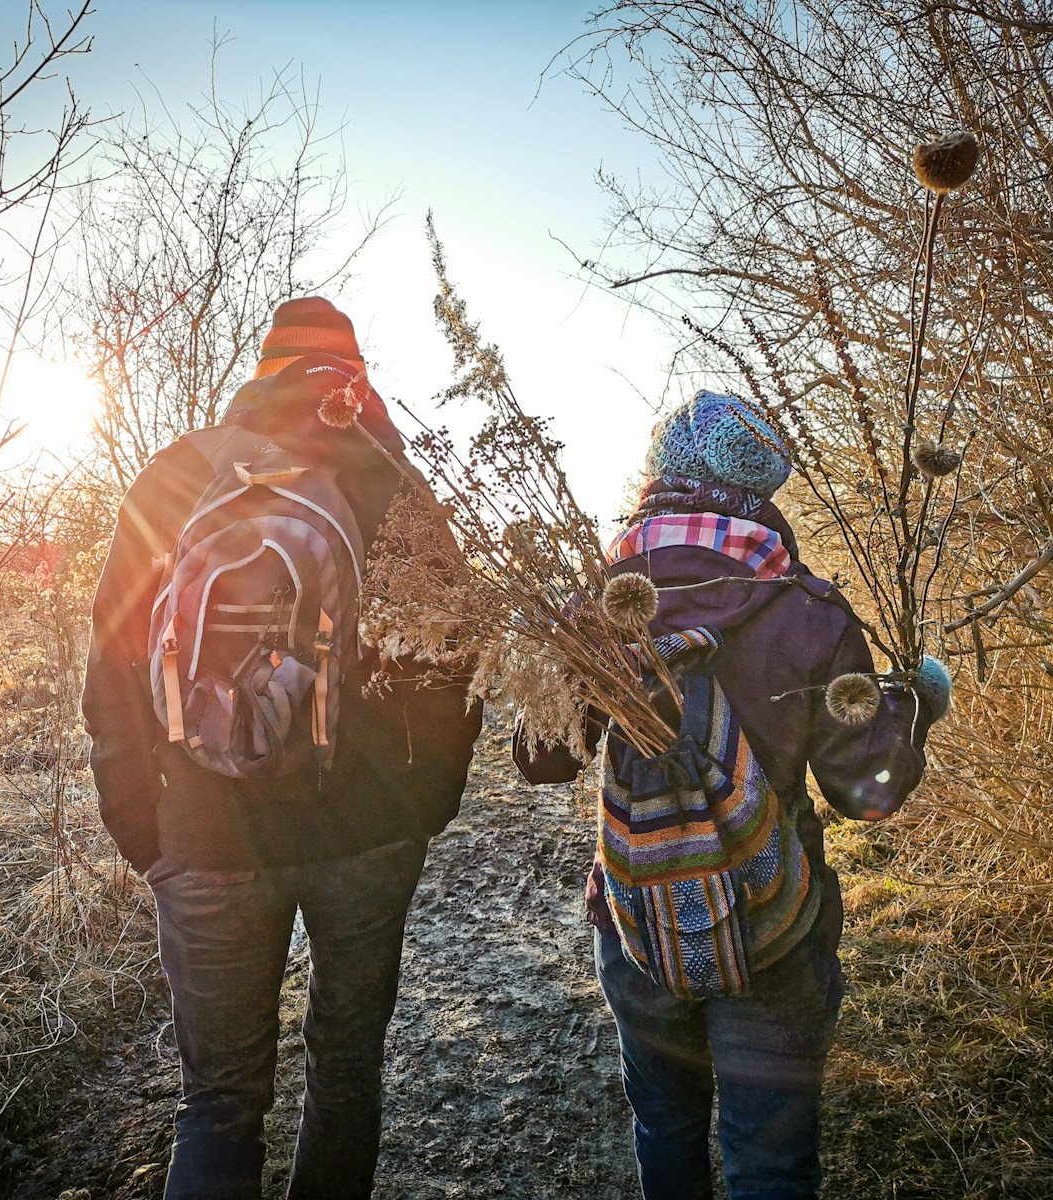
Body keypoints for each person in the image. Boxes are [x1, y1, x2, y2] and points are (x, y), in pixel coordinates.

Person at [83, 297, 482, 1200]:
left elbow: (110, 661)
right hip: (369, 833)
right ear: (356, 377)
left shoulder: (177, 475)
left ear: (259, 370)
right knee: (346, 1073)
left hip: (206, 833)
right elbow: (460, 660)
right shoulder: (394, 484)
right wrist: (428, 802)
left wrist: (143, 826)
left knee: (218, 1100)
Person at [515, 390, 952, 1200]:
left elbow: (541, 760)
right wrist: (915, 709)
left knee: (665, 1126)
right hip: (773, 930)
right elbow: (865, 795)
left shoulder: (595, 608)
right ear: (762, 491)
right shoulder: (809, 614)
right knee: (770, 1164)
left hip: (639, 914)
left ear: (659, 480)